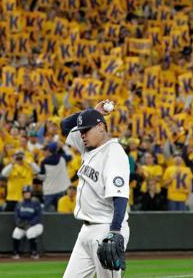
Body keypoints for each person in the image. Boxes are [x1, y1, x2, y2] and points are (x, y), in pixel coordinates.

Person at [60, 102, 130, 277]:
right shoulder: (88, 147)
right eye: (81, 131)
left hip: (106, 228)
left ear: (100, 127)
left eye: (86, 130)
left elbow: (120, 197)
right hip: (85, 231)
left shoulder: (114, 152)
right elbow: (65, 125)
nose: (82, 135)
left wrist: (114, 231)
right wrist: (92, 112)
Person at [12, 185, 43, 259]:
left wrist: (30, 223)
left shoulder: (35, 202)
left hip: (36, 225)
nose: (26, 194)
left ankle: (34, 252)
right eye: (25, 192)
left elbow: (38, 216)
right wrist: (20, 224)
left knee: (30, 232)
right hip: (23, 225)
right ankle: (15, 252)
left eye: (28, 192)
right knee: (16, 233)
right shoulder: (20, 203)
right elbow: (16, 216)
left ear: (31, 193)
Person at [39, 142, 72, 212]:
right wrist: (64, 146)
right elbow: (71, 156)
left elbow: (42, 177)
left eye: (45, 150)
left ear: (49, 151)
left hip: (49, 191)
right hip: (62, 190)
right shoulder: (63, 157)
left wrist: (37, 175)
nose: (44, 152)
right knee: (61, 213)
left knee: (47, 216)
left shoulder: (43, 162)